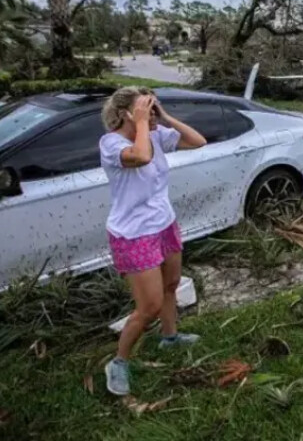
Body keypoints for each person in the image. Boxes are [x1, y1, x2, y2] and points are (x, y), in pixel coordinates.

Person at [100, 87, 207, 396]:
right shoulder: (111, 144)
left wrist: (163, 116)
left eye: (151, 107)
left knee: (172, 285)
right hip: (134, 234)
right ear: (125, 115)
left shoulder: (156, 134)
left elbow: (198, 141)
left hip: (164, 223)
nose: (150, 112)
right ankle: (119, 362)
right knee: (149, 306)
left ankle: (170, 336)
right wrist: (144, 124)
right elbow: (141, 156)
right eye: (144, 108)